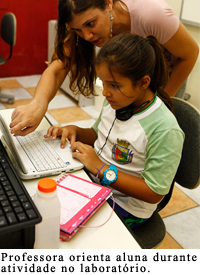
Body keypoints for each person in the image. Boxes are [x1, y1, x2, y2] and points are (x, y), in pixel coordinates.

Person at [9, 0, 199, 136]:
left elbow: (190, 53)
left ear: (108, 3)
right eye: (77, 29)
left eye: (91, 24)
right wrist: (37, 106)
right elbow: (58, 67)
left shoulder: (151, 14)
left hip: (167, 75)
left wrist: (163, 103)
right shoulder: (84, 29)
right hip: (130, 80)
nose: (86, 36)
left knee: (154, 136)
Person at [44, 33, 185, 228]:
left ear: (144, 82)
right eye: (104, 82)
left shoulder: (164, 129)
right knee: (43, 199)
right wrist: (74, 129)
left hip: (126, 206)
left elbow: (154, 192)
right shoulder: (117, 101)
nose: (105, 92)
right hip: (96, 182)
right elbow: (97, 135)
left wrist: (101, 168)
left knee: (55, 223)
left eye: (114, 85)